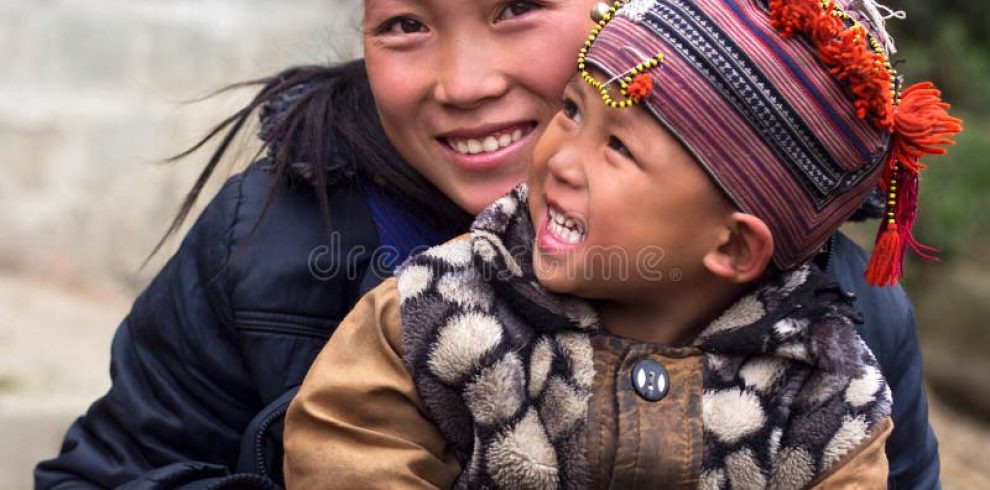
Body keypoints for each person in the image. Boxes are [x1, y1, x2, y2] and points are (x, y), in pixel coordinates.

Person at [35, 0, 942, 488]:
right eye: (403, 25)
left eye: (517, 6)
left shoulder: (842, 333)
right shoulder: (277, 244)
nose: (465, 84)